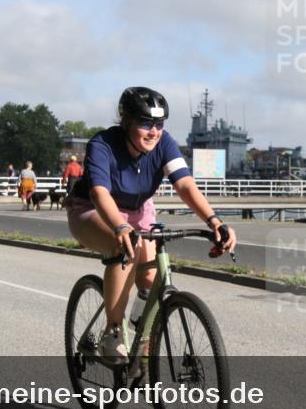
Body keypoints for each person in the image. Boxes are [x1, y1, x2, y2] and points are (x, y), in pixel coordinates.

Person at [66, 87, 237, 363]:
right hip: (92, 209)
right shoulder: (103, 144)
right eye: (146, 123)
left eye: (159, 124)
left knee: (150, 278)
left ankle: (140, 329)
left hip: (140, 208)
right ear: (126, 122)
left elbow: (184, 185)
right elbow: (99, 194)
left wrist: (214, 221)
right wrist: (120, 227)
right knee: (121, 244)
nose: (153, 131)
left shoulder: (164, 143)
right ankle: (112, 332)